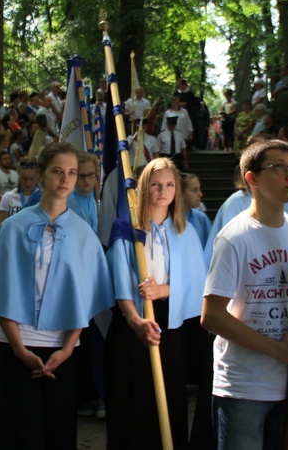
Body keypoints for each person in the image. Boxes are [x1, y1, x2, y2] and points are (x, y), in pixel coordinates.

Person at [0, 142, 113, 449]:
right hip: (15, 345)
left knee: (58, 432)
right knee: (17, 432)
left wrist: (69, 345)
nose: (65, 179)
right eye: (57, 171)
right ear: (41, 175)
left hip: (63, 350)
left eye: (72, 173)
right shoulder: (12, 227)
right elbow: (1, 290)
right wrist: (19, 348)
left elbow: (87, 296)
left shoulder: (83, 233)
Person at [201, 140, 288, 450]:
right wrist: (277, 350)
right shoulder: (233, 238)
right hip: (245, 386)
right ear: (252, 179)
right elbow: (212, 316)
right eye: (279, 167)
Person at [105, 158, 207, 450]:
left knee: (169, 395)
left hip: (170, 323)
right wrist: (134, 319)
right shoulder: (127, 228)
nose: (163, 191)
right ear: (144, 187)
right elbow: (119, 277)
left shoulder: (185, 231)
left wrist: (163, 289)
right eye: (156, 184)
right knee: (133, 397)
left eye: (170, 185)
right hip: (133, 322)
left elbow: (196, 280)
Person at [0, 160, 41, 225]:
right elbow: (1, 226)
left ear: (37, 177)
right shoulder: (8, 197)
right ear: (19, 177)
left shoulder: (43, 197)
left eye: (32, 179)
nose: (28, 183)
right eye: (24, 179)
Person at [67, 152, 98, 232]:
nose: (86, 180)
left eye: (91, 174)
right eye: (81, 176)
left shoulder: (100, 196)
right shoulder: (66, 201)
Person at [181, 173, 211, 248]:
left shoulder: (202, 219)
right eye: (194, 190)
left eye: (199, 189)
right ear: (181, 193)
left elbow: (211, 249)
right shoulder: (169, 219)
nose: (200, 194)